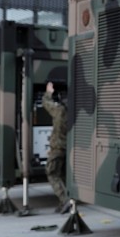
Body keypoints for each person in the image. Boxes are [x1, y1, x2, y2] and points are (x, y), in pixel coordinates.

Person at [42, 81, 70, 214]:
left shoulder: (59, 111)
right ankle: (64, 202)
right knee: (62, 175)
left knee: (52, 173)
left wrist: (48, 92)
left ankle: (65, 201)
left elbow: (46, 103)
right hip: (67, 149)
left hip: (57, 148)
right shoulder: (73, 113)